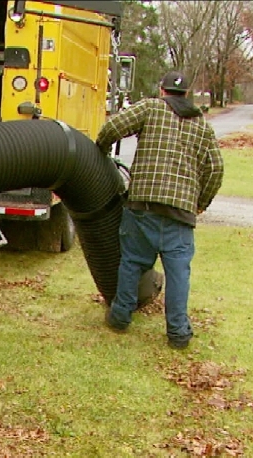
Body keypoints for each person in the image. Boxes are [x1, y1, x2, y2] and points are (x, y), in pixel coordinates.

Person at [95, 70, 224, 349]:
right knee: (178, 274)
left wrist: (101, 152)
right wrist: (200, 202)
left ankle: (120, 317)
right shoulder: (202, 126)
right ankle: (178, 333)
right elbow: (216, 169)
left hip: (143, 205)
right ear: (186, 95)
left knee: (132, 261)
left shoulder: (151, 107)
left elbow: (111, 129)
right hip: (180, 214)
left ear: (162, 90)